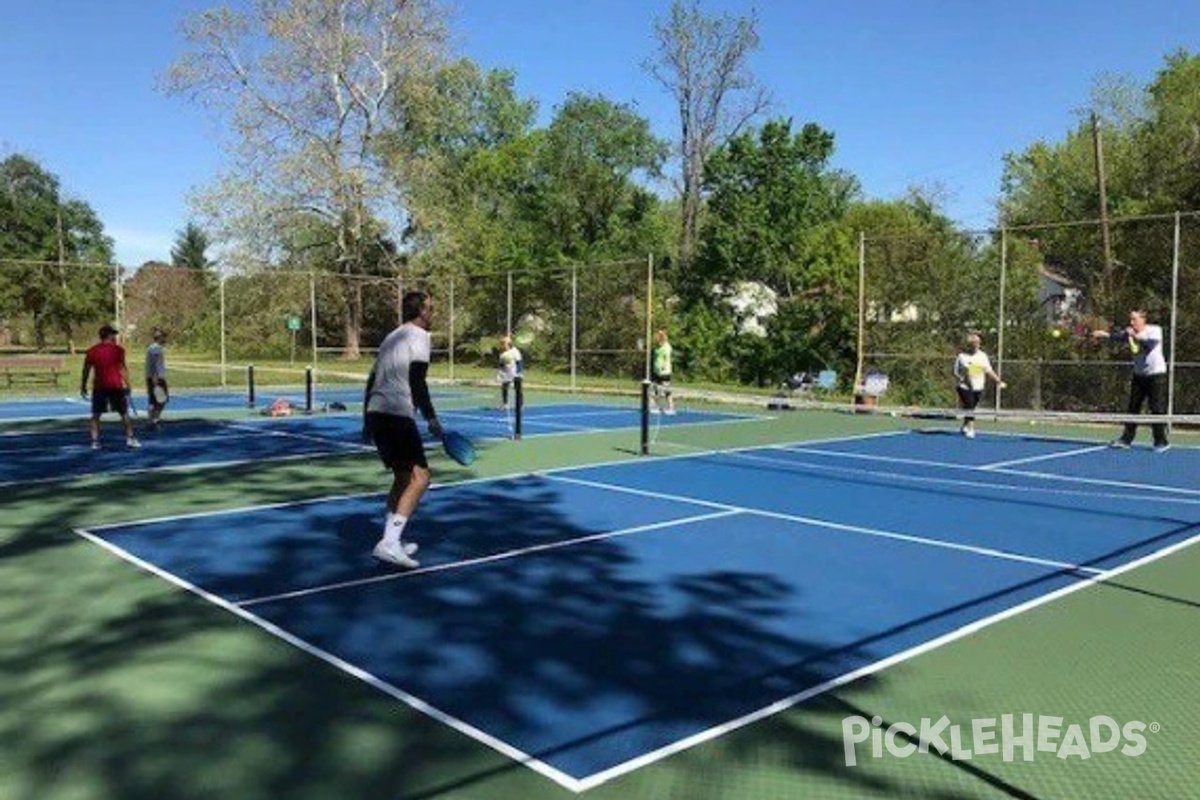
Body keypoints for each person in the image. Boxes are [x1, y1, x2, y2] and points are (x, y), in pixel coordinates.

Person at [363, 291, 443, 569]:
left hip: (377, 412)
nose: (432, 313)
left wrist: (366, 419)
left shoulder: (392, 336)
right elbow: (417, 381)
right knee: (421, 478)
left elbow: (371, 378)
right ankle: (388, 544)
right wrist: (432, 419)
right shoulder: (420, 336)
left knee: (402, 476)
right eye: (430, 309)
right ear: (420, 311)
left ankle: (392, 538)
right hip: (396, 413)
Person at [1091, 309, 1170, 452]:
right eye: (1130, 319)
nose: (1131, 322)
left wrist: (1133, 335)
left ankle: (1161, 442)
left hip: (1156, 376)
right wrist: (1104, 335)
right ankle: (1126, 439)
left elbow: (1148, 343)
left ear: (1143, 319)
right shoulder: (1130, 333)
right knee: (1133, 408)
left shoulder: (1154, 330)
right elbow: (1118, 337)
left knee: (1156, 409)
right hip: (1139, 376)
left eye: (1134, 319)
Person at [81, 324, 140, 450]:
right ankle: (130, 438)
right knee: (124, 413)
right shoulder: (119, 350)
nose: (115, 336)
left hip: (100, 388)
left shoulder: (92, 351)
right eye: (113, 334)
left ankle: (95, 441)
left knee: (96, 415)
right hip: (115, 387)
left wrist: (83, 385)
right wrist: (128, 385)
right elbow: (122, 369)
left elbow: (85, 370)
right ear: (108, 335)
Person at [953, 333, 1004, 439]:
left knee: (971, 407)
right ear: (969, 344)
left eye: (978, 343)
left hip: (978, 387)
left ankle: (964, 425)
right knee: (970, 405)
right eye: (974, 343)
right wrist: (965, 379)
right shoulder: (962, 357)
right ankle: (971, 429)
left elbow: (988, 370)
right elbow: (959, 372)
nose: (977, 345)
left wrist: (998, 381)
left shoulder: (983, 356)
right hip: (964, 387)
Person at [144, 328, 169, 428]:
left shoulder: (154, 347)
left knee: (155, 401)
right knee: (160, 401)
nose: (165, 339)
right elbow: (154, 363)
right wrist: (155, 378)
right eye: (164, 337)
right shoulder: (155, 349)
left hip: (154, 377)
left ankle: (153, 421)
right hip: (156, 378)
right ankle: (153, 421)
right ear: (160, 338)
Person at [650, 329, 675, 415]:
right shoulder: (657, 347)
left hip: (665, 373)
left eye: (659, 339)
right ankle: (656, 407)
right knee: (655, 389)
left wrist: (663, 367)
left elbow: (666, 359)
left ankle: (671, 408)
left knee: (666, 390)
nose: (657, 341)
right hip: (656, 372)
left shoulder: (667, 347)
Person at [496, 334, 523, 411]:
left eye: (503, 343)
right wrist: (500, 373)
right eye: (501, 344)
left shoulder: (515, 351)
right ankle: (505, 404)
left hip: (515, 373)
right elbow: (501, 365)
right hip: (506, 373)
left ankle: (520, 405)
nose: (502, 345)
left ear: (508, 344)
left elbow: (519, 362)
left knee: (518, 389)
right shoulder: (502, 353)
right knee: (504, 388)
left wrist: (519, 372)